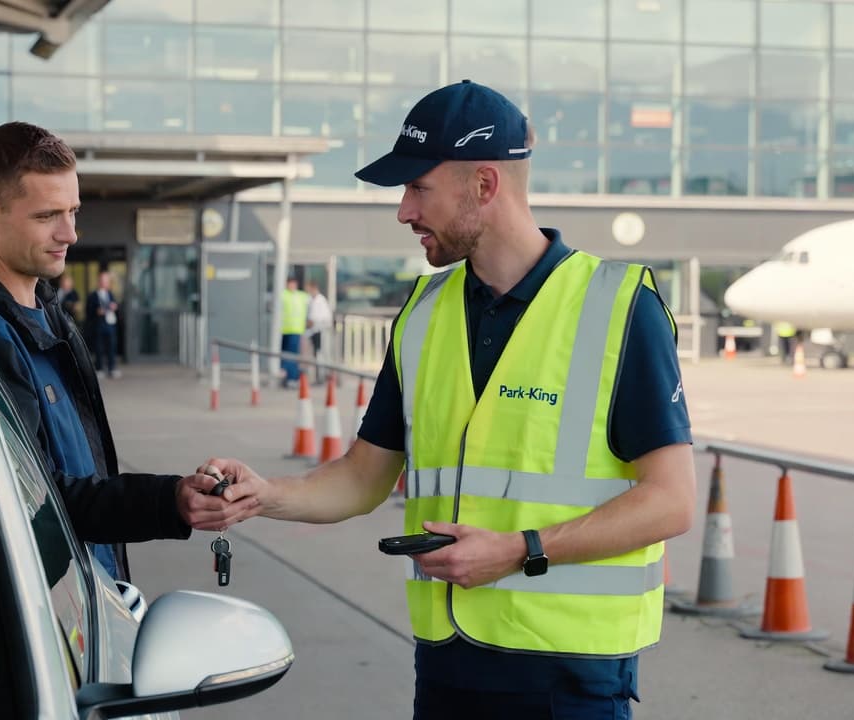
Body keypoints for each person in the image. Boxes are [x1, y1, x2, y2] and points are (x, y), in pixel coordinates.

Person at [202, 81, 696, 720]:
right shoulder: (421, 315)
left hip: (568, 679)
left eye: (417, 188)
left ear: (484, 186)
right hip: (446, 667)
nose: (404, 211)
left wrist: (521, 550)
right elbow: (362, 478)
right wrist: (263, 495)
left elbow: (672, 500)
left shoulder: (620, 308)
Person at [0, 122, 252, 580]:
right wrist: (169, 501)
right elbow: (37, 503)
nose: (70, 234)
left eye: (73, 212)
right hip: (47, 611)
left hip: (84, 590)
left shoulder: (44, 310)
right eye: (47, 216)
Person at [85, 271, 121, 379]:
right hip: (98, 325)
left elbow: (116, 307)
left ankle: (112, 368)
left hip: (110, 324)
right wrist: (97, 311)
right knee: (99, 347)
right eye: (102, 280)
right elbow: (88, 311)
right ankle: (99, 368)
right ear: (98, 282)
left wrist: (114, 307)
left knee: (111, 346)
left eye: (106, 281)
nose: (103, 282)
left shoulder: (110, 294)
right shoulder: (92, 295)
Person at [278, 277, 309, 388]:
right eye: (290, 284)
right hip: (283, 330)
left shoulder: (301, 296)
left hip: (296, 329)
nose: (292, 286)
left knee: (291, 355)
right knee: (285, 355)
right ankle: (288, 376)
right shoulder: (282, 294)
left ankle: (292, 377)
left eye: (293, 284)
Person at [305, 279, 333, 384]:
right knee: (316, 354)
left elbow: (324, 317)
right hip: (313, 331)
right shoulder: (310, 300)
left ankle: (322, 376)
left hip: (320, 330)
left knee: (321, 354)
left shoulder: (321, 300)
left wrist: (313, 322)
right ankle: (318, 376)